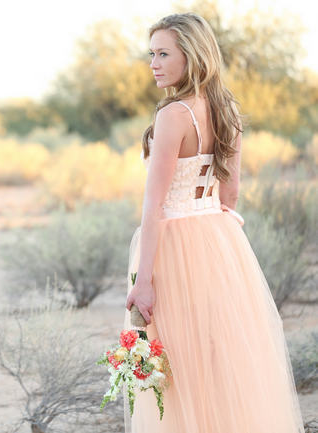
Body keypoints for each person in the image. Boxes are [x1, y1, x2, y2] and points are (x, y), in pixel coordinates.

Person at [122, 12, 305, 432]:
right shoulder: (227, 110)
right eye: (152, 53)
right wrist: (220, 244)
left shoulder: (173, 115)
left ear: (193, 55)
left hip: (173, 245)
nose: (154, 63)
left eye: (165, 53)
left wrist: (143, 279)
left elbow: (155, 207)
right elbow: (231, 194)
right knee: (220, 360)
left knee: (178, 366)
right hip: (219, 240)